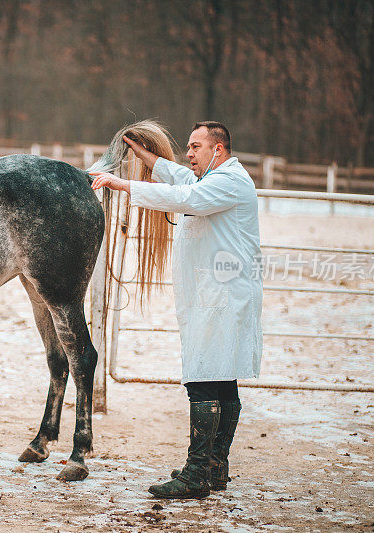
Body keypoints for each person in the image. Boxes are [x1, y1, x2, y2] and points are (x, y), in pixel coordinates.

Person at [90, 121, 262, 499]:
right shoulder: (213, 179)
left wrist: (123, 184)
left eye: (195, 146)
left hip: (222, 299)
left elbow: (186, 198)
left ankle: (198, 472)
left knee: (203, 379)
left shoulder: (229, 182)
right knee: (221, 378)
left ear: (218, 150)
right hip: (215, 297)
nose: (189, 153)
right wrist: (148, 157)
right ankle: (214, 466)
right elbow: (183, 178)